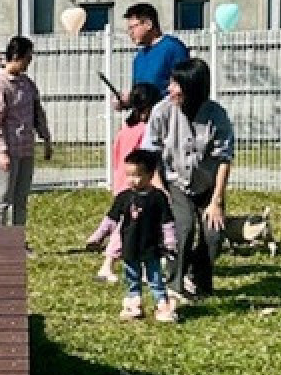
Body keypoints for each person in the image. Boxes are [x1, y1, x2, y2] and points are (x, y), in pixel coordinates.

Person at [143, 57, 235, 301]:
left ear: (193, 88)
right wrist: (159, 187)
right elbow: (149, 153)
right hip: (174, 183)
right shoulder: (161, 111)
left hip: (207, 185)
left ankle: (198, 280)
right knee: (182, 230)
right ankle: (173, 287)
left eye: (176, 85)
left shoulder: (216, 115)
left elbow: (225, 159)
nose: (170, 89)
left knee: (213, 234)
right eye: (171, 83)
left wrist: (216, 201)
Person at [86, 149, 178, 322]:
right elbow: (111, 220)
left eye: (137, 175)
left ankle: (162, 304)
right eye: (128, 175)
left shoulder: (158, 198)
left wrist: (170, 242)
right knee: (132, 276)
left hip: (151, 247)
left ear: (150, 175)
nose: (131, 180)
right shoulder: (124, 197)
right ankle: (134, 302)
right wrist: (98, 237)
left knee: (155, 276)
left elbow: (167, 222)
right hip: (130, 245)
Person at [96, 83, 162, 284]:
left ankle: (114, 264)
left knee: (124, 225)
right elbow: (147, 159)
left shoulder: (125, 129)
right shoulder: (145, 130)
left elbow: (117, 156)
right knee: (131, 227)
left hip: (121, 181)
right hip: (136, 184)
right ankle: (108, 265)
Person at [0, 35, 53, 228]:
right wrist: (2, 152)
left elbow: (37, 112)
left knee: (21, 200)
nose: (29, 63)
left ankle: (18, 242)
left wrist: (46, 138)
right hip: (6, 153)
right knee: (3, 200)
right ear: (16, 56)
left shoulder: (27, 84)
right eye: (27, 58)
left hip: (25, 149)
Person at [120, 2, 188, 103]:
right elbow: (139, 94)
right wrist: (126, 101)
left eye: (133, 27)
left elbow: (184, 87)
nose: (130, 33)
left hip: (168, 116)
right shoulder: (139, 58)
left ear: (149, 24)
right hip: (144, 117)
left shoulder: (173, 48)